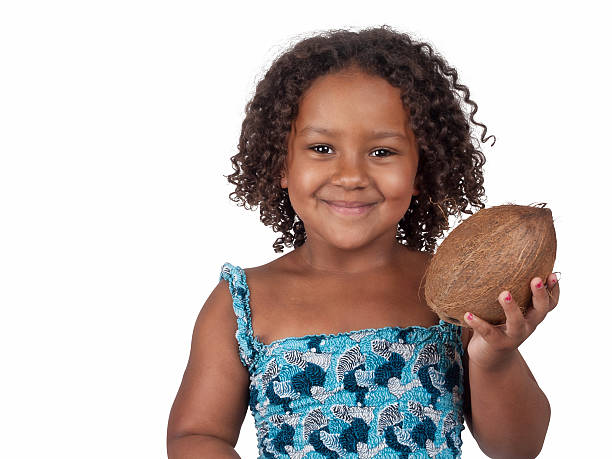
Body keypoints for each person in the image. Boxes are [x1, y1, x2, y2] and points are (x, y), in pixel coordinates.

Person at [167, 25, 560, 458]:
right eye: (321, 148)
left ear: (421, 171)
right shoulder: (241, 301)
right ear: (281, 164)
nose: (351, 176)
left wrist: (494, 357)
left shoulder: (452, 298)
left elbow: (516, 448)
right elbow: (197, 436)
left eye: (381, 152)